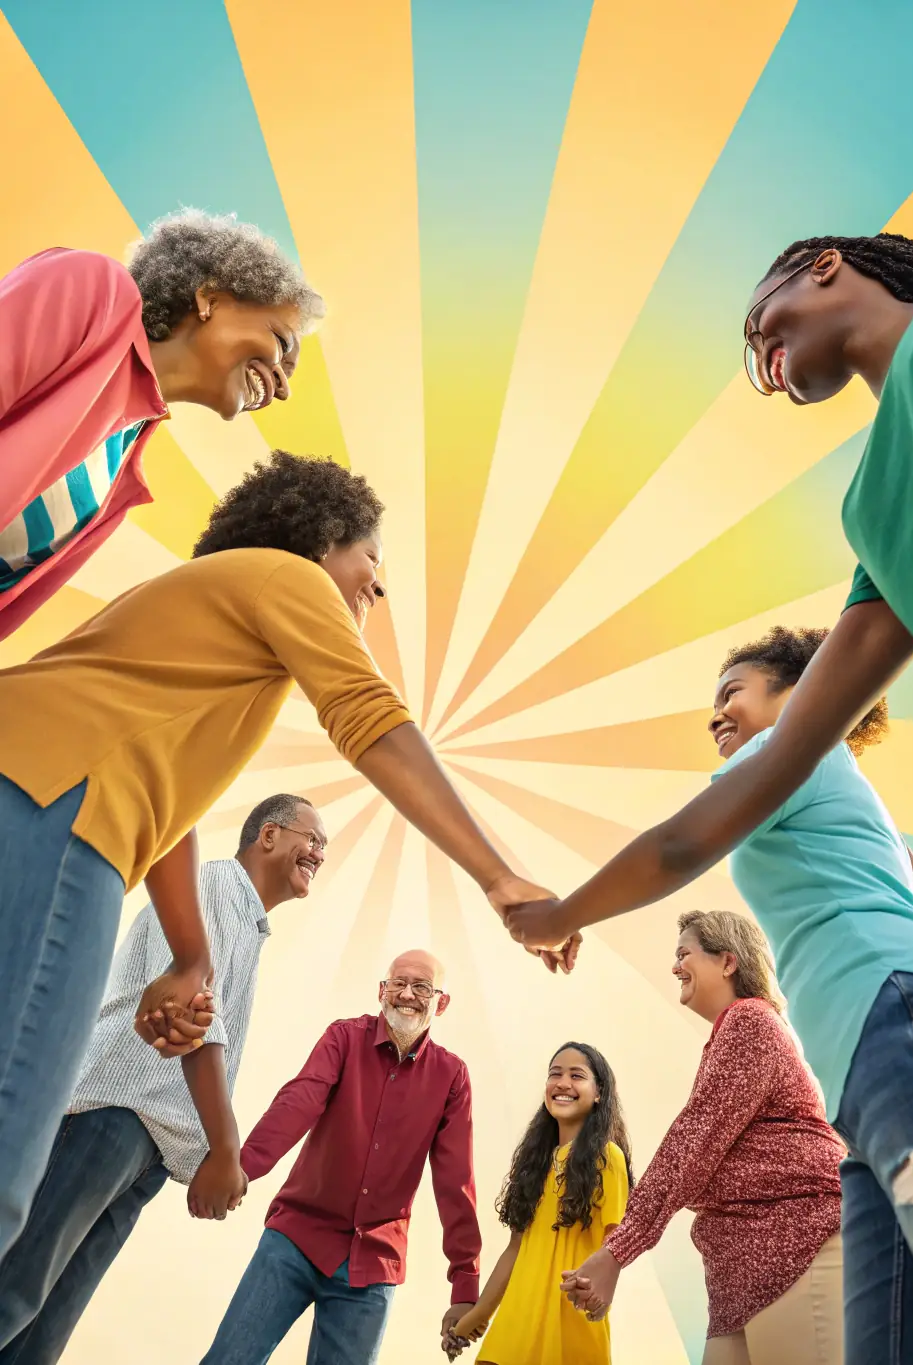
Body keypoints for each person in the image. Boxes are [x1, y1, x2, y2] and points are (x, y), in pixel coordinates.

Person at [0, 451, 573, 1267]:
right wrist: (497, 873)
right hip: (58, 804)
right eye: (371, 567)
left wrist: (191, 957)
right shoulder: (286, 576)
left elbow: (166, 806)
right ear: (324, 537)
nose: (374, 593)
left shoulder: (209, 613)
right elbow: (365, 712)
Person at [508, 626, 913, 1362]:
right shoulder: (841, 784)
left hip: (912, 1021)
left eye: (732, 693)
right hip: (895, 1051)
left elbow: (678, 846)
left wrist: (558, 915)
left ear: (800, 693)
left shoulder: (796, 751)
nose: (717, 715)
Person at [0, 792, 326, 1359]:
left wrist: (201, 1149)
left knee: (44, 1327)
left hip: (145, 1146)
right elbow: (198, 1017)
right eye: (311, 839)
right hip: (112, 1115)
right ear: (268, 835)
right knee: (16, 1291)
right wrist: (224, 1150)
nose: (319, 853)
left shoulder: (248, 923)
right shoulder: (223, 886)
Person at [0, 209, 323, 641]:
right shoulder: (92, 288)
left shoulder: (121, 477)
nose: (282, 386)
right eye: (281, 343)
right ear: (211, 299)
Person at [561, 909, 844, 1365]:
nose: (674, 967)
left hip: (795, 1248)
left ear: (728, 962)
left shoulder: (750, 1021)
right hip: (736, 1276)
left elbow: (694, 1140)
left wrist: (618, 1251)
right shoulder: (734, 1034)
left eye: (684, 953)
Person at [198, 949, 479, 1365]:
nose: (406, 995)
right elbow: (300, 1100)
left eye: (421, 987)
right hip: (296, 1238)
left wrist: (465, 1287)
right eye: (397, 984)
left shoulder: (452, 1077)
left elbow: (456, 1181)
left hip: (373, 1264)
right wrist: (239, 1167)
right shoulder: (343, 1038)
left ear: (441, 1001)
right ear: (381, 991)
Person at [444, 1041, 632, 1365]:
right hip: (515, 1323)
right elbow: (514, 1251)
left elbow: (614, 1244)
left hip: (569, 1323)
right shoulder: (534, 1165)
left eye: (577, 1075)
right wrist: (472, 1320)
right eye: (555, 1074)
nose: (562, 1083)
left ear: (599, 1092)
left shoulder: (607, 1158)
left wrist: (598, 1295)